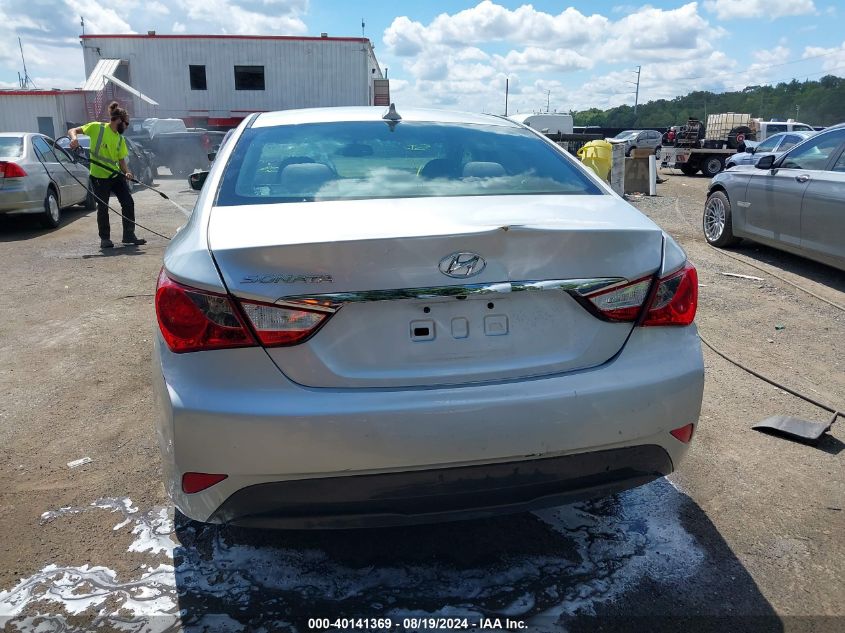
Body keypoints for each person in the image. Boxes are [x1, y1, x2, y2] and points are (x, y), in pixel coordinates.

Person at [68, 102, 146, 248]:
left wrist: (127, 172)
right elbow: (73, 130)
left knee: (128, 202)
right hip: (99, 177)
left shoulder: (120, 139)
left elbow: (121, 160)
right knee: (103, 207)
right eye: (126, 123)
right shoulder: (96, 128)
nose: (127, 127)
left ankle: (129, 235)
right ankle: (105, 239)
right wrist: (74, 139)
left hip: (115, 175)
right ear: (119, 120)